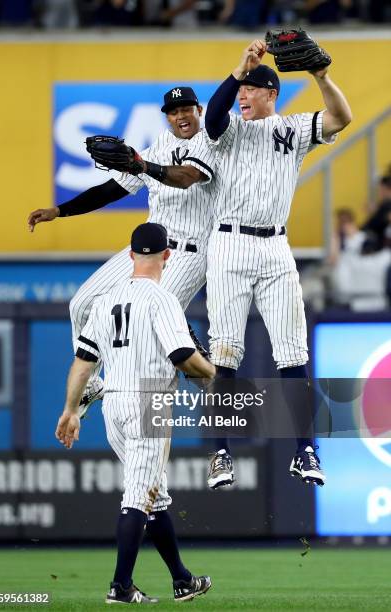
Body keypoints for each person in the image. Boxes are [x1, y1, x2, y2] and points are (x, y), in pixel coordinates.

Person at [28, 86, 235, 490]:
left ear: (198, 110)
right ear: (166, 116)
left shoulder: (211, 141)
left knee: (162, 342)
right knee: (82, 303)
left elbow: (184, 178)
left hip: (187, 253)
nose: (181, 116)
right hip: (145, 249)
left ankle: (216, 448)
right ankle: (92, 384)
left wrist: (143, 165)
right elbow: (112, 189)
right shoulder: (158, 143)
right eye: (173, 111)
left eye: (186, 109)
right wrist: (59, 211)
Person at [204, 38, 352, 486]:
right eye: (241, 89)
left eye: (251, 88)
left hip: (275, 249)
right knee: (225, 354)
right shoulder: (229, 128)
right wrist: (239, 68)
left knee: (293, 354)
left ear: (271, 93)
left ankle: (305, 451)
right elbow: (212, 119)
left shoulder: (291, 128)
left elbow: (343, 117)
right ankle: (221, 455)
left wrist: (321, 76)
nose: (243, 95)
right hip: (228, 245)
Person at [55, 223, 215, 604]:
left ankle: (181, 580)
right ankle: (120, 586)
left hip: (114, 403)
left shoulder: (108, 299)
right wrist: (212, 374)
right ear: (167, 255)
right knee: (138, 498)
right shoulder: (162, 300)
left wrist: (71, 410)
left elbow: (83, 362)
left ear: (129, 255)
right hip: (149, 403)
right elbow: (182, 358)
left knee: (152, 495)